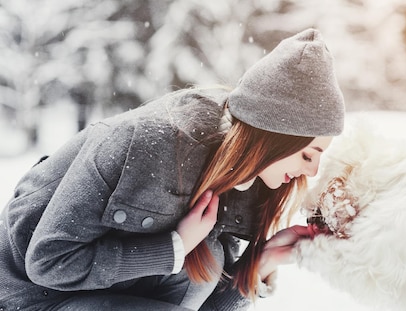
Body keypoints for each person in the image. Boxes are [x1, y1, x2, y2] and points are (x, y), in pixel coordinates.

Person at [0, 28, 345, 311]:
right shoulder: (143, 143)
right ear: (275, 138)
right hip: (28, 295)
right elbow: (47, 262)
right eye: (308, 154)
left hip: (94, 297)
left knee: (206, 263)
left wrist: (263, 262)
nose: (312, 172)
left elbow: (207, 305)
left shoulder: (247, 182)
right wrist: (174, 248)